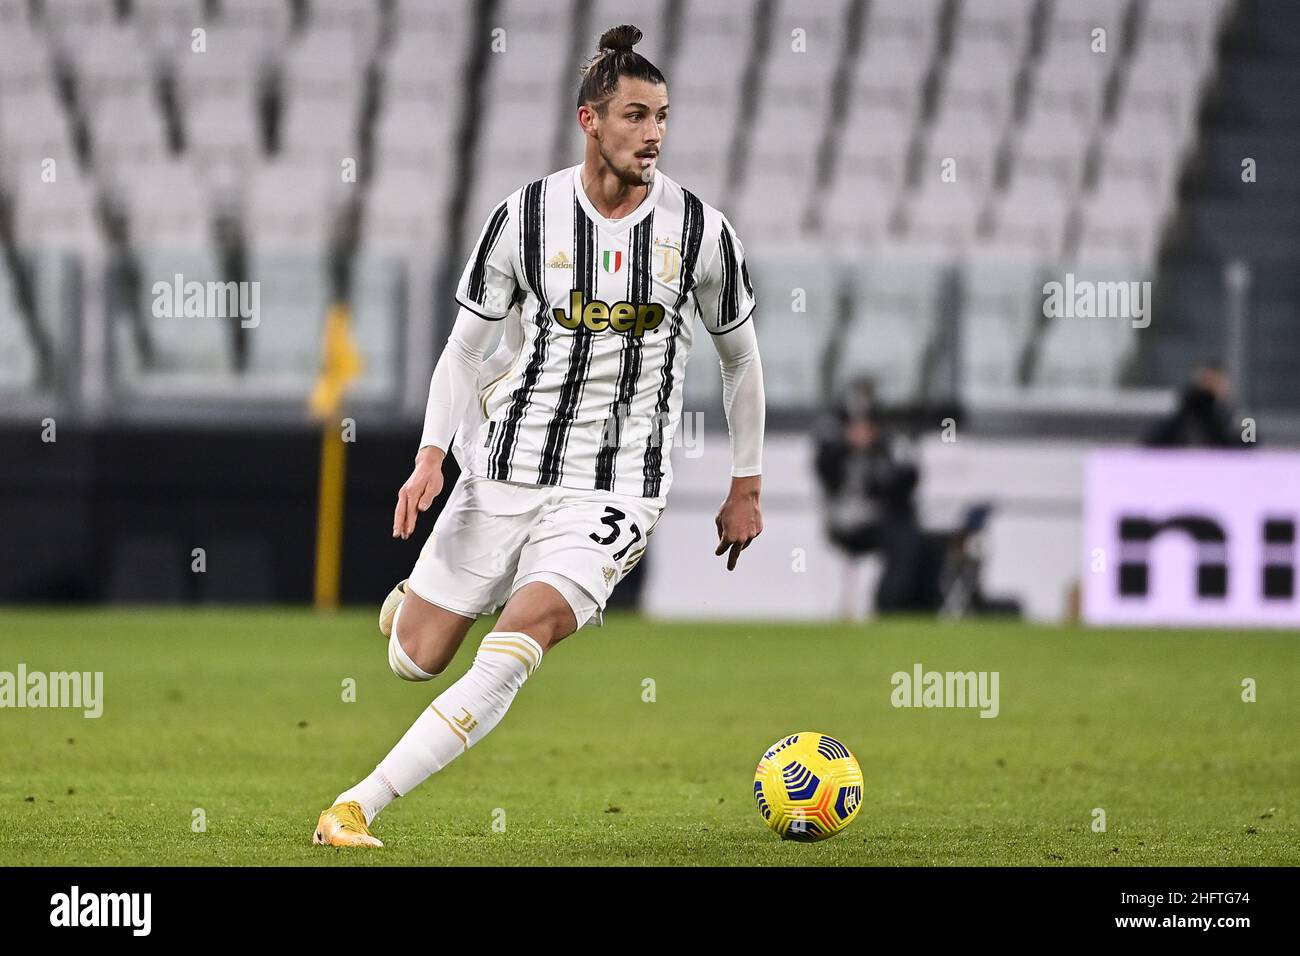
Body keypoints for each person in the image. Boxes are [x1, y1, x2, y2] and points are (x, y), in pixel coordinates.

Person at [313, 25, 767, 847]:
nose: (654, 134)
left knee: (519, 638)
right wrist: (431, 455)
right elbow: (465, 349)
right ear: (590, 120)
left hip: (618, 486)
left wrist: (747, 483)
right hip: (505, 464)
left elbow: (741, 361)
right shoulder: (525, 218)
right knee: (415, 659)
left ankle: (356, 804)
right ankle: (409, 610)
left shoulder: (700, 232)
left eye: (663, 116)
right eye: (636, 115)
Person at [813, 379, 938, 614]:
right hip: (846, 520)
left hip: (883, 519)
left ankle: (913, 601)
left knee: (918, 539)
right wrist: (847, 445)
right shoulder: (831, 438)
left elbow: (908, 476)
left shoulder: (887, 441)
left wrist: (880, 452)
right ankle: (890, 603)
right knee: (903, 536)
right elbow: (824, 469)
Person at [1144, 360, 1239, 448]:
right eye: (1208, 383)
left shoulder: (1235, 421)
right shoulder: (1181, 422)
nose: (1212, 389)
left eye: (1217, 383)